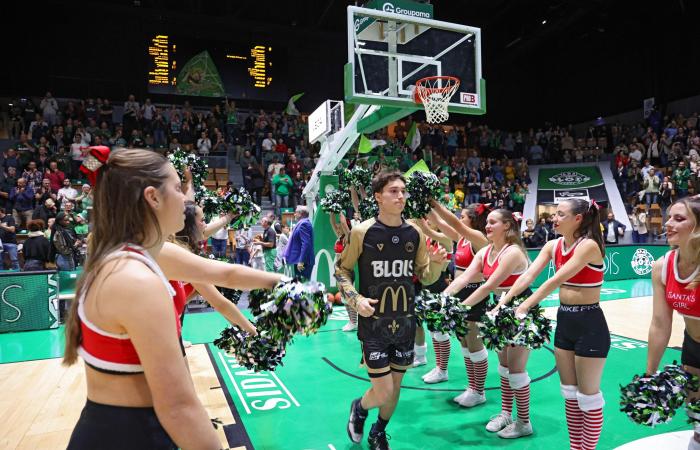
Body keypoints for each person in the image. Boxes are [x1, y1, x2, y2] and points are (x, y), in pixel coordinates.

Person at [338, 171, 446, 450]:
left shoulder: (415, 232)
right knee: (383, 390)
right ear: (378, 197)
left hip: (406, 322)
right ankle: (360, 408)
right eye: (393, 191)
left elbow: (426, 277)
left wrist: (436, 264)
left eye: (403, 191)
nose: (400, 196)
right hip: (373, 324)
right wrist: (355, 299)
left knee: (395, 389)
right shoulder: (362, 232)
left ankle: (378, 431)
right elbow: (342, 271)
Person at [498, 198, 608, 450]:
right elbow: (528, 275)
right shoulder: (552, 245)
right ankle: (575, 447)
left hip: (589, 323)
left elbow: (554, 280)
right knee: (569, 394)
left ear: (578, 218)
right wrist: (506, 300)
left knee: (588, 398)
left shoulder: (588, 245)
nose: (554, 219)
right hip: (565, 321)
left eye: (560, 214)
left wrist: (524, 306)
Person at [444, 209, 532, 438]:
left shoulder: (512, 252)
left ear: (507, 226)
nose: (488, 226)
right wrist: (442, 300)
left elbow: (488, 286)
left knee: (516, 371)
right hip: (500, 308)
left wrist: (458, 308)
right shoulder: (485, 251)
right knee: (503, 367)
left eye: (493, 222)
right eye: (488, 222)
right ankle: (505, 414)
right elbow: (463, 278)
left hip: (520, 309)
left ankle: (524, 422)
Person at [420, 202, 490, 405]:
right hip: (459, 293)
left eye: (463, 217)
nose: (459, 221)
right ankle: (472, 387)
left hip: (475, 294)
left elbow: (451, 222)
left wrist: (433, 202)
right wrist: (422, 204)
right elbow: (438, 222)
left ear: (473, 221)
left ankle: (480, 391)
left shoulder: (479, 238)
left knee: (475, 345)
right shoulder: (462, 239)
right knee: (465, 344)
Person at [646, 197, 700, 450]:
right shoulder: (662, 266)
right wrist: (650, 375)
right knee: (698, 419)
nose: (668, 224)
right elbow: (660, 324)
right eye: (669, 217)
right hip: (693, 348)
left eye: (679, 219)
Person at [330, 211, 356, 332]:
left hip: (347, 271)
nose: (338, 229)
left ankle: (354, 321)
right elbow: (333, 224)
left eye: (341, 228)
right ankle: (351, 321)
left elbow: (344, 224)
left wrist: (340, 210)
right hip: (339, 271)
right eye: (338, 228)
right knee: (345, 298)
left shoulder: (349, 238)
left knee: (349, 297)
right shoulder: (339, 238)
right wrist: (331, 212)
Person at [284, 205, 314, 280]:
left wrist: (301, 261)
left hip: (303, 262)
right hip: (299, 260)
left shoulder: (304, 224)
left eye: (296, 212)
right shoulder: (302, 223)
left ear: (301, 214)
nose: (294, 214)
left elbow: (306, 244)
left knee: (303, 286)